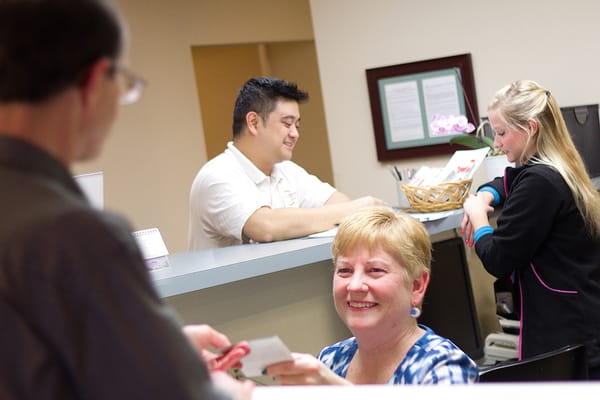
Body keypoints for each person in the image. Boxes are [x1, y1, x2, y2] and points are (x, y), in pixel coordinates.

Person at [0, 0, 253, 398]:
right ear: (95, 80)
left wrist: (154, 348)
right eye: (123, 84)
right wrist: (221, 389)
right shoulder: (75, 234)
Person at [461, 80, 600, 379]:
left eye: (501, 133)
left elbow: (498, 258)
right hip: (582, 320)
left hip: (567, 333)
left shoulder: (540, 183)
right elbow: (509, 182)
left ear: (531, 127)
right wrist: (487, 194)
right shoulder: (558, 167)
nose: (497, 143)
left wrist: (478, 218)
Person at [264, 206, 478, 384]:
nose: (355, 286)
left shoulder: (443, 367)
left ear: (417, 286)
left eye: (375, 270)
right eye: (345, 271)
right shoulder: (331, 360)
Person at [188, 76, 384, 250]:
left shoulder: (285, 170)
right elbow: (265, 227)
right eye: (287, 124)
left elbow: (338, 202)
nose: (295, 134)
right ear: (254, 122)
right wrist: (355, 208)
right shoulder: (217, 175)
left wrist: (347, 210)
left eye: (297, 125)